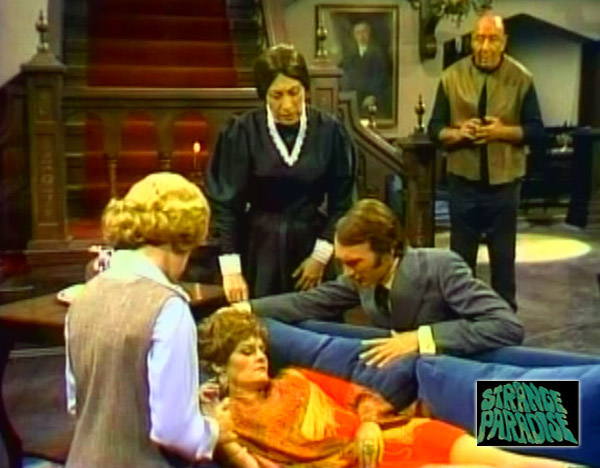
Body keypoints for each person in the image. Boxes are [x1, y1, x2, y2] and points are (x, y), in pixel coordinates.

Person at [197, 309, 573, 468]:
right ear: (217, 364)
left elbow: (360, 395)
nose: (261, 357)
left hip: (420, 406)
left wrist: (369, 423)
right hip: (370, 456)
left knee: (520, 456)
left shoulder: (295, 376)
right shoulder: (226, 421)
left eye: (262, 349)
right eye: (247, 351)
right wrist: (218, 428)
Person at [64, 173, 234, 468]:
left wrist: (187, 398)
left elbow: (78, 402)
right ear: (185, 240)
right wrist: (214, 429)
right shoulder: (169, 307)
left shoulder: (84, 297)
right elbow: (173, 430)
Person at [233, 198, 524, 367]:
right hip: (413, 380)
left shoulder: (441, 268)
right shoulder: (362, 277)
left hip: (468, 375)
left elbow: (507, 326)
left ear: (388, 251)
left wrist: (420, 338)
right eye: (341, 262)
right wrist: (244, 310)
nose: (347, 273)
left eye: (354, 262)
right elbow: (308, 302)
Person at [206, 43, 356, 302]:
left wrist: (320, 257)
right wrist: (231, 271)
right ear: (264, 94)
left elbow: (342, 203)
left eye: (294, 92)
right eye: (276, 95)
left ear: (305, 89)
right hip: (259, 249)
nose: (287, 105)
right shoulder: (243, 132)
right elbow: (227, 207)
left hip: (312, 243)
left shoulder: (329, 131)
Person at [427, 13, 545, 311]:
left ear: (504, 42)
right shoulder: (451, 77)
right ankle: (460, 316)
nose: (485, 46)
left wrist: (501, 132)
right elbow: (434, 129)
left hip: (504, 184)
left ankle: (504, 318)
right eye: (479, 38)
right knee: (460, 259)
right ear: (471, 41)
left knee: (503, 259)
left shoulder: (521, 78)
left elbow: (536, 131)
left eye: (492, 39)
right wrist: (458, 133)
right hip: (462, 182)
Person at [340, 19, 389, 117]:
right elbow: (345, 76)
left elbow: (380, 79)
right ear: (354, 35)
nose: (361, 36)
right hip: (352, 99)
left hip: (370, 99)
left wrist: (373, 96)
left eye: (364, 32)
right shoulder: (349, 55)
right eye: (358, 33)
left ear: (369, 33)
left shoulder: (377, 54)